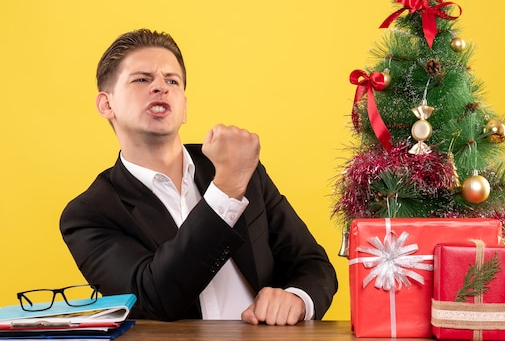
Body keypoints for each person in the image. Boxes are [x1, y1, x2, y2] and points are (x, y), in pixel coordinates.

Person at [59, 29, 338, 325]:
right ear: (107, 104)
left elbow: (313, 265)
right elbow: (154, 299)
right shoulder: (88, 214)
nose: (160, 88)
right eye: (142, 79)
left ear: (184, 108)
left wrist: (297, 298)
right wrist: (226, 190)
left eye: (172, 81)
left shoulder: (245, 170)